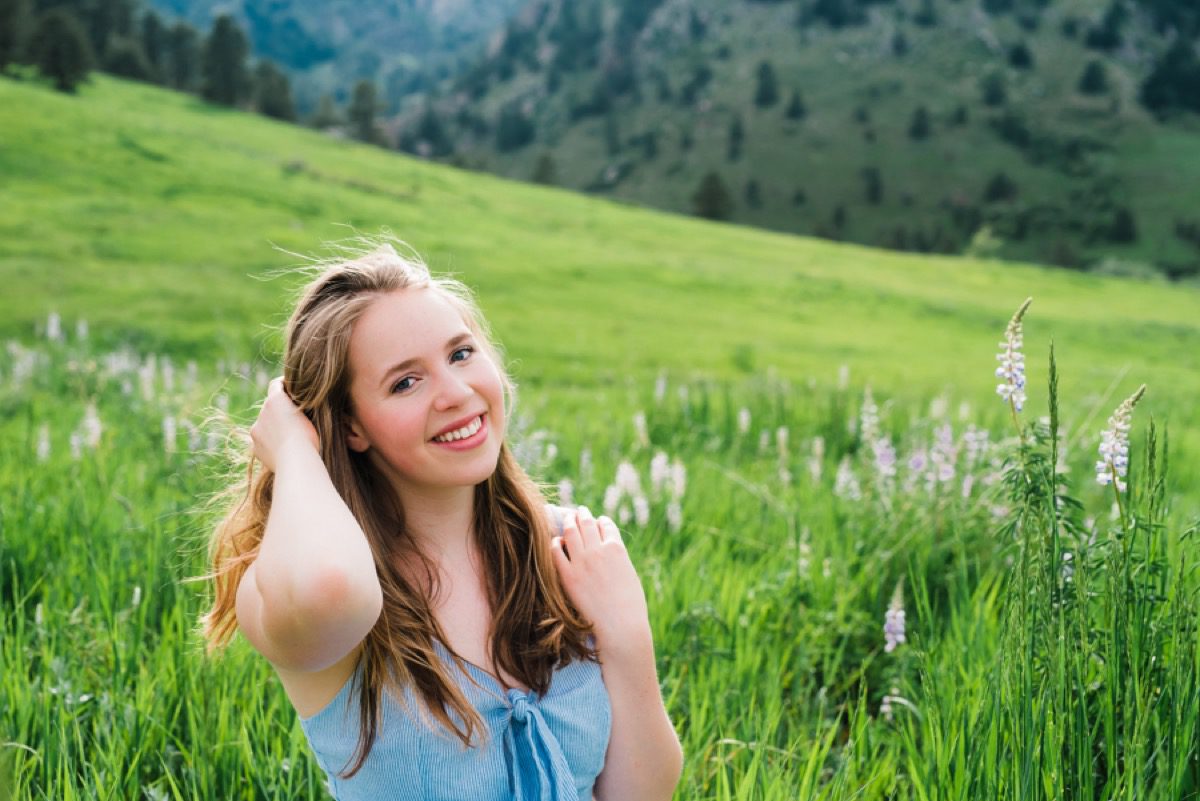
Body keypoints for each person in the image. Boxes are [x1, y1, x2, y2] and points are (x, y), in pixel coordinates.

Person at [198, 235, 683, 800]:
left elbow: (639, 795)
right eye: (406, 382)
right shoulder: (301, 587)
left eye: (460, 354)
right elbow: (329, 587)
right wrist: (294, 448)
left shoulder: (568, 549)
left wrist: (627, 635)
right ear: (350, 426)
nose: (456, 392)